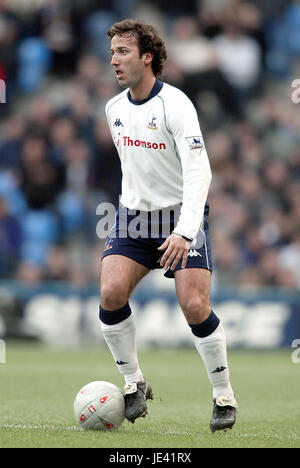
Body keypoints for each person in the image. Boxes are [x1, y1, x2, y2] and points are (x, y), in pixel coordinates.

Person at [99, 19, 238, 432]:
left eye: (123, 52)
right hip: (133, 216)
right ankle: (133, 383)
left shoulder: (176, 105)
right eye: (112, 53)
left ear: (147, 57)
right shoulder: (113, 109)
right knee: (109, 292)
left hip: (180, 216)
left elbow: (200, 172)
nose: (114, 61)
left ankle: (224, 396)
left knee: (195, 306)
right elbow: (136, 170)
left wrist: (184, 230)